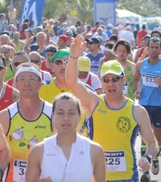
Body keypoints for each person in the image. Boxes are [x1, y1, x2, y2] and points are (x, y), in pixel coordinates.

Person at [66, 35, 158, 182]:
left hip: (127, 178)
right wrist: (73, 57)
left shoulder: (137, 111)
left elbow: (152, 143)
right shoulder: (93, 102)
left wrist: (147, 157)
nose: (111, 84)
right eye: (106, 80)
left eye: (115, 78)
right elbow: (71, 81)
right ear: (101, 82)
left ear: (123, 79)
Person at [25, 93, 106, 182]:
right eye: (60, 113)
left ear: (79, 116)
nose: (66, 118)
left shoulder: (95, 150)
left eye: (71, 113)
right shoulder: (38, 151)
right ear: (53, 116)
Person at [0, 63, 53, 182]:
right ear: (15, 84)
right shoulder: (5, 116)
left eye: (31, 79)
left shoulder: (53, 114)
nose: (27, 83)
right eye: (22, 79)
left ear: (40, 83)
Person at [134, 36, 161, 177]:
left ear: (160, 49)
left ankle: (155, 158)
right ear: (148, 48)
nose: (154, 50)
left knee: (158, 137)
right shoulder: (141, 64)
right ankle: (145, 169)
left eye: (157, 47)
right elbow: (136, 79)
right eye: (152, 47)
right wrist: (135, 91)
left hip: (159, 105)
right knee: (145, 135)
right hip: (144, 104)